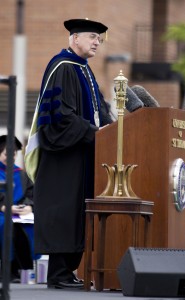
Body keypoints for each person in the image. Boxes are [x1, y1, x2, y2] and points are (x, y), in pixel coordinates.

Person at [28, 18, 113, 289]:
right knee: (65, 211)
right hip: (64, 157)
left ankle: (69, 272)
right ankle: (58, 274)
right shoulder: (62, 67)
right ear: (74, 38)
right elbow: (61, 116)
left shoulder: (84, 70)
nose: (97, 41)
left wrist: (112, 130)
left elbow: (101, 112)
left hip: (83, 154)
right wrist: (95, 133)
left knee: (78, 211)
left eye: (99, 38)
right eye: (92, 36)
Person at [0, 135, 40, 283]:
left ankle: (20, 269)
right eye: (6, 154)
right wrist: (3, 207)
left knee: (27, 226)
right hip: (2, 212)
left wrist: (29, 206)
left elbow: (31, 193)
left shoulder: (21, 173)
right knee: (5, 225)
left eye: (14, 154)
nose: (10, 158)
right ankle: (6, 270)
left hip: (18, 213)